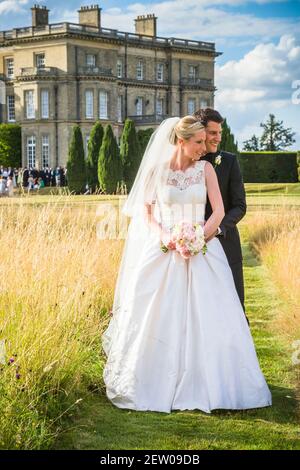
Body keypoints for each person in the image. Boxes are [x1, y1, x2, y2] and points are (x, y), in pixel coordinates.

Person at [102, 116, 272, 414]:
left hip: (202, 250)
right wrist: (168, 238)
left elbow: (218, 211)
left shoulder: (206, 169)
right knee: (156, 313)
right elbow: (148, 214)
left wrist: (198, 239)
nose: (204, 148)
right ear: (181, 141)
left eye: (205, 143)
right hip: (164, 249)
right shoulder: (156, 171)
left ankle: (212, 382)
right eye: (198, 143)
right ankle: (153, 380)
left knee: (210, 314)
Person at [194, 108, 247, 317]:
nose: (218, 138)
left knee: (234, 306)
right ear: (200, 131)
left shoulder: (229, 161)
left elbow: (240, 206)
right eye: (212, 133)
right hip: (192, 247)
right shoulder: (187, 163)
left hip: (226, 244)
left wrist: (216, 230)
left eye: (220, 133)